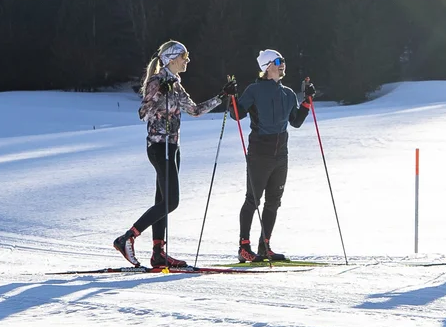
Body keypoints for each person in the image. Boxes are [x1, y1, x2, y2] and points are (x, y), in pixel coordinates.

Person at [112, 40, 234, 269]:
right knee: (171, 201)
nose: (187, 60)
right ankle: (127, 237)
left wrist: (221, 96)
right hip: (159, 147)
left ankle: (158, 253)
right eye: (184, 56)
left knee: (161, 200)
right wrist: (160, 94)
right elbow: (143, 112)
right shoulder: (157, 82)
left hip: (173, 147)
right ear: (171, 58)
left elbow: (195, 110)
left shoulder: (176, 84)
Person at [231, 49, 314, 262]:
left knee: (274, 201)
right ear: (267, 66)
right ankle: (244, 247)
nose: (282, 64)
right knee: (253, 200)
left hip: (281, 153)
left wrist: (306, 101)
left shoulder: (287, 93)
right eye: (278, 61)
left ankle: (264, 246)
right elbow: (237, 114)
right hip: (260, 152)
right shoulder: (254, 90)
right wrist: (231, 96)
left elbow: (295, 121)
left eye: (283, 60)